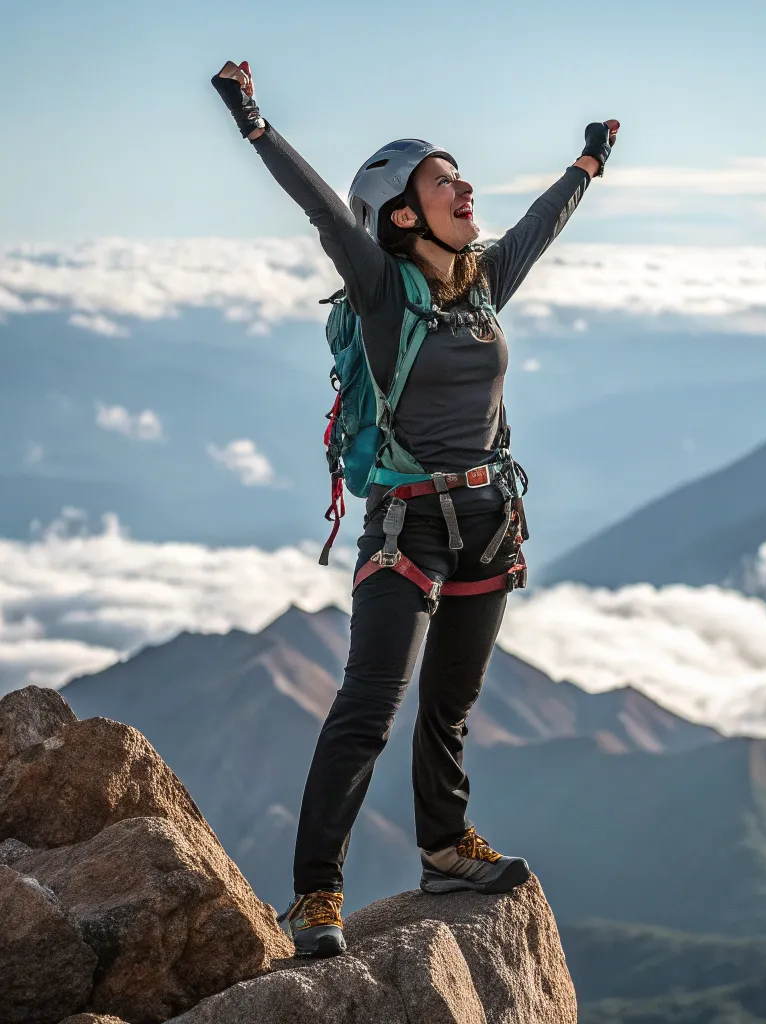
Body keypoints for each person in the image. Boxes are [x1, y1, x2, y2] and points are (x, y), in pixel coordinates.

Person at [212, 59, 618, 958]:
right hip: (408, 527)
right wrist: (252, 121)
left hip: (488, 524)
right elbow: (322, 207)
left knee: (449, 709)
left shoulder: (479, 282)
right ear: (401, 212)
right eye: (444, 179)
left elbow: (541, 227)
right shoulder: (379, 287)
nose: (464, 185)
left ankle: (443, 850)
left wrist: (586, 168)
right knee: (369, 707)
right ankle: (317, 896)